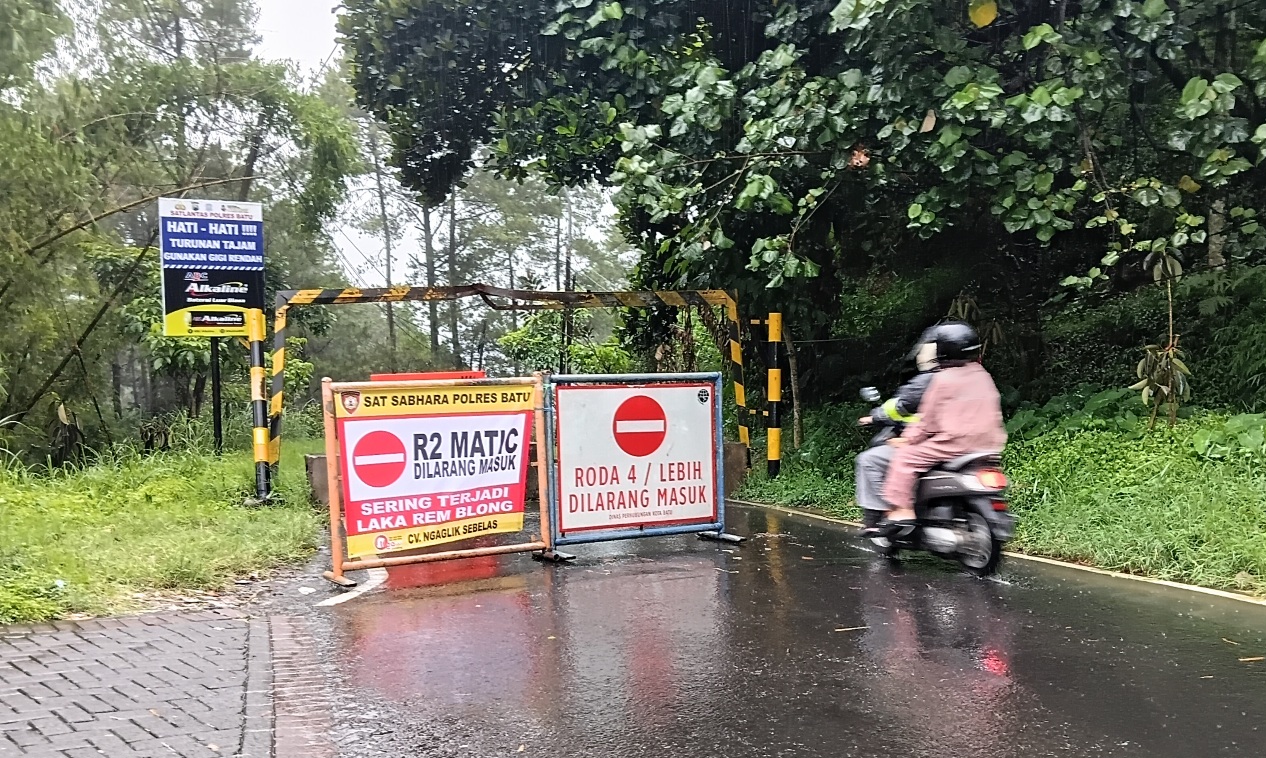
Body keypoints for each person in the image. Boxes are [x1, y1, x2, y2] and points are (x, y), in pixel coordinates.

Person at [864, 321, 1007, 538]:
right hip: (990, 443)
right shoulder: (982, 375)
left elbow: (927, 421)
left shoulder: (941, 379)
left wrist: (908, 440)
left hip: (954, 443)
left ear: (942, 351)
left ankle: (902, 510)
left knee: (905, 459)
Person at [854, 333, 940, 527]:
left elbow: (899, 406)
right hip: (966, 446)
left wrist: (875, 417)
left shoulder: (928, 381)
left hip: (928, 444)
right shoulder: (968, 379)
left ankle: (889, 513)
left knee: (868, 460)